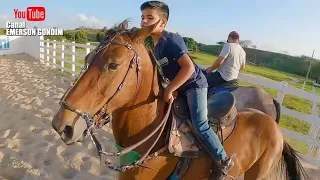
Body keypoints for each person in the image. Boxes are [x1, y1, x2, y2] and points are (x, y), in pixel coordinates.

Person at [140, 1, 234, 179]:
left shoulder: (171, 40)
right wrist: (171, 87)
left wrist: (170, 90)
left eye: (150, 18)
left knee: (200, 125)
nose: (144, 21)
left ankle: (223, 160)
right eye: (142, 18)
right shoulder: (157, 45)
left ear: (163, 22)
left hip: (195, 86)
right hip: (182, 88)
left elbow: (188, 68)